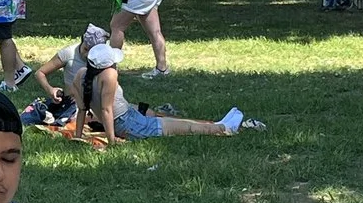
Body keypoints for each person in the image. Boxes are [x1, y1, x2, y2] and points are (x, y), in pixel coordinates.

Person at [85, 43, 251, 139]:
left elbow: (83, 108)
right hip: (129, 124)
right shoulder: (109, 75)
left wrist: (78, 135)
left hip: (129, 118)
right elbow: (107, 110)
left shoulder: (82, 76)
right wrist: (111, 139)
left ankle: (218, 125)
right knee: (183, 127)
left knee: (176, 123)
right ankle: (224, 128)